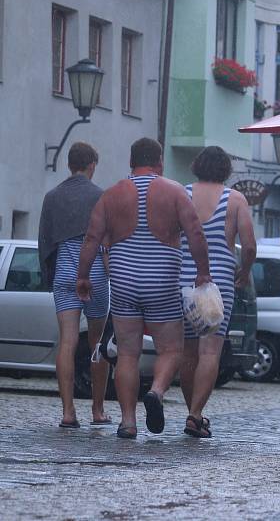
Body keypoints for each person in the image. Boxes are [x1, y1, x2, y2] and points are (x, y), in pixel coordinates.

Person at [77, 137, 211, 439]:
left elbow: (91, 239)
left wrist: (82, 276)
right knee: (172, 349)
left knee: (126, 354)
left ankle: (127, 422)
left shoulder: (111, 195)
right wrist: (203, 272)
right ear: (160, 161)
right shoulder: (174, 192)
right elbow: (195, 233)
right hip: (161, 280)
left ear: (131, 162)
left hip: (123, 280)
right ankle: (157, 392)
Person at [178, 146, 256, 438]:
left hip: (183, 279)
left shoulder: (182, 194)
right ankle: (195, 414)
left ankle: (193, 414)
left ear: (197, 166)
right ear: (225, 169)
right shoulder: (234, 199)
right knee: (210, 351)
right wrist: (245, 272)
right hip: (217, 282)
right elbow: (248, 246)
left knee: (187, 352)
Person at [38, 142, 111, 428]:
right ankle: (98, 410)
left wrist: (50, 276)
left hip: (65, 275)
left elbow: (44, 242)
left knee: (67, 341)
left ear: (70, 165)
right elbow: (107, 242)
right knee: (97, 343)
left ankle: (68, 413)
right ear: (92, 165)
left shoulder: (52, 197)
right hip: (94, 276)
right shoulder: (101, 196)